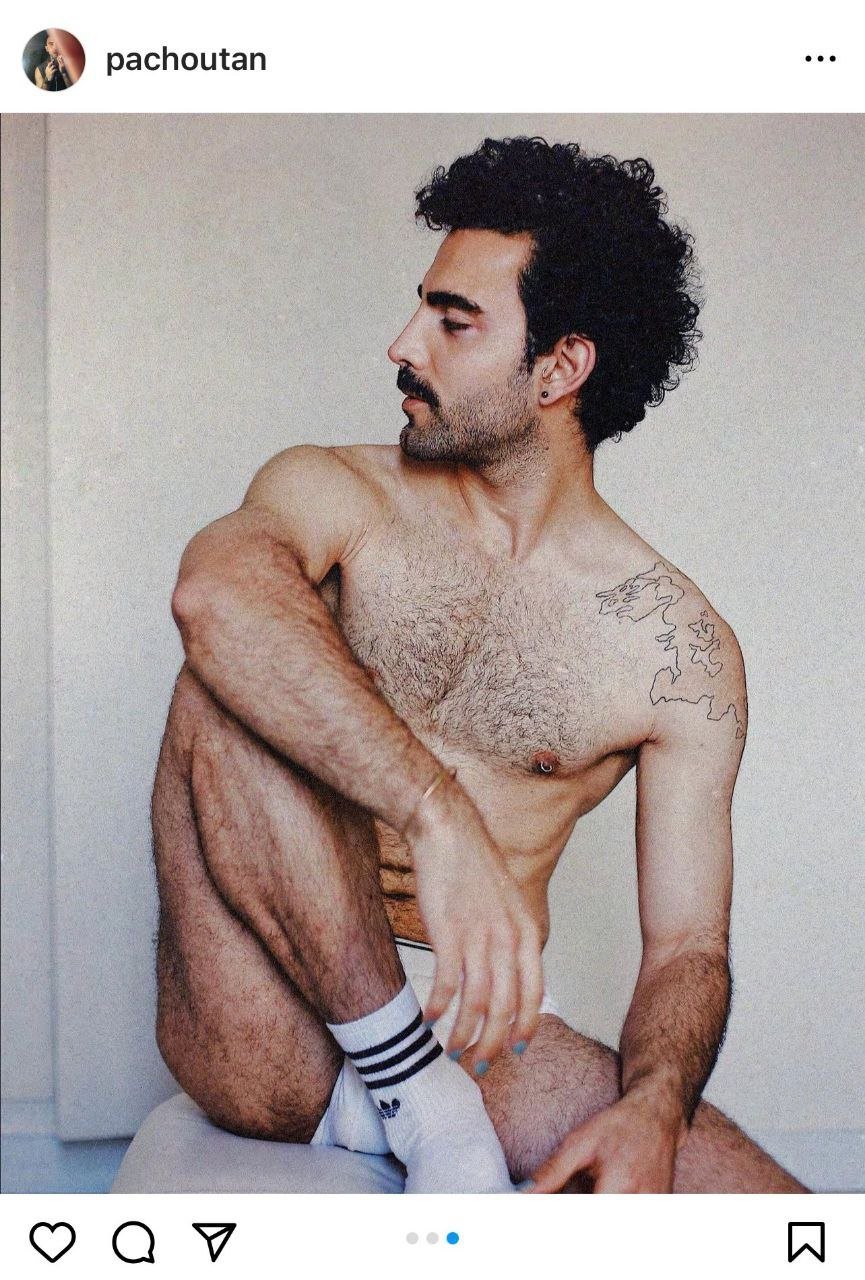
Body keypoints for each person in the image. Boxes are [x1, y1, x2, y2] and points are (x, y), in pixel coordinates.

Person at [153, 136, 806, 1192]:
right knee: (237, 661)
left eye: (453, 322)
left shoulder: (674, 649)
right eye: (422, 306)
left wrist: (651, 1103)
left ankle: (425, 1092)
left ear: (560, 368)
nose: (401, 343)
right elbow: (214, 597)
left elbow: (687, 946)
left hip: (472, 1031)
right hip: (264, 1004)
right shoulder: (337, 491)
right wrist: (436, 813)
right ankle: (410, 1093)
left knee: (770, 1217)